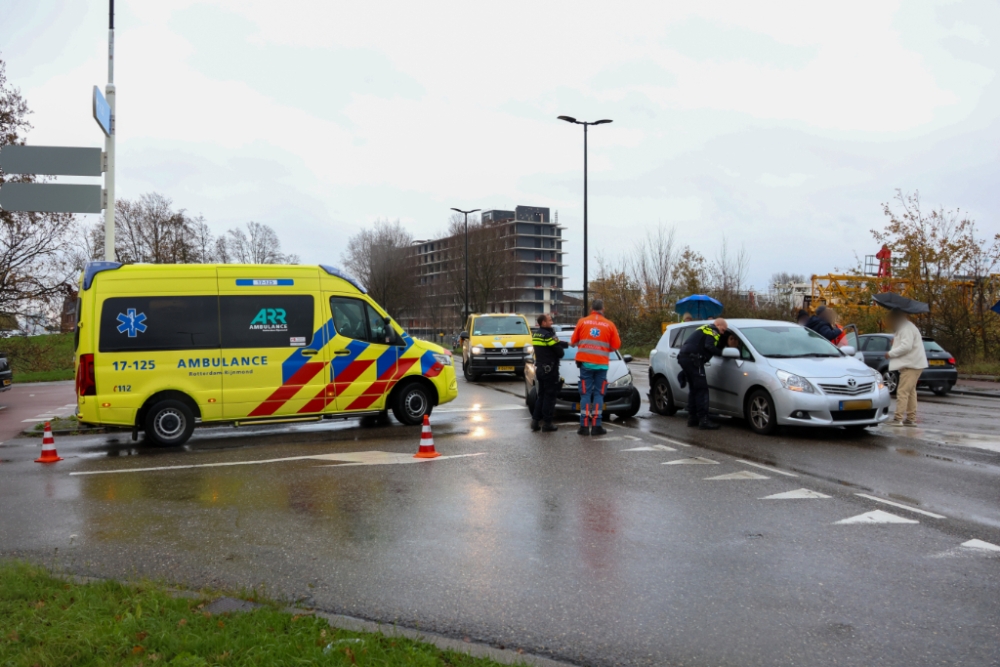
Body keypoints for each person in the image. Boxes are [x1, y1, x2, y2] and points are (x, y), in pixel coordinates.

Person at [570, 299, 621, 436]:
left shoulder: (582, 322)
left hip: (585, 364)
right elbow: (615, 345)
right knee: (599, 394)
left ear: (591, 308)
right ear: (603, 309)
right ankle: (597, 425)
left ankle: (584, 426)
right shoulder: (609, 324)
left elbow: (573, 341)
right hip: (602, 365)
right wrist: (603, 349)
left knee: (585, 394)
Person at [678, 317, 728, 429]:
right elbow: (708, 346)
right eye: (723, 330)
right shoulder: (713, 330)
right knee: (702, 390)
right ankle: (704, 420)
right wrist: (721, 353)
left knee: (694, 389)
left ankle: (692, 418)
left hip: (684, 357)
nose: (722, 333)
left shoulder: (703, 328)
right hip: (694, 359)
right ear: (718, 325)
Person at [885, 309, 927, 426]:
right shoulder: (906, 327)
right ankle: (911, 418)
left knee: (902, 391)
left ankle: (898, 419)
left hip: (911, 364)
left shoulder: (905, 327)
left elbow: (906, 346)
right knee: (910, 392)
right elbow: (906, 344)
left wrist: (890, 353)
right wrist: (895, 343)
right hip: (914, 363)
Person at [530, 313, 568, 433]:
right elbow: (560, 352)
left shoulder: (537, 334)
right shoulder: (549, 335)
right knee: (549, 397)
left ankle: (535, 421)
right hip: (550, 370)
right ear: (543, 323)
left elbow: (554, 343)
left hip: (540, 369)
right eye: (549, 320)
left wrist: (567, 344)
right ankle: (547, 423)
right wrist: (562, 347)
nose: (551, 322)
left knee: (541, 396)